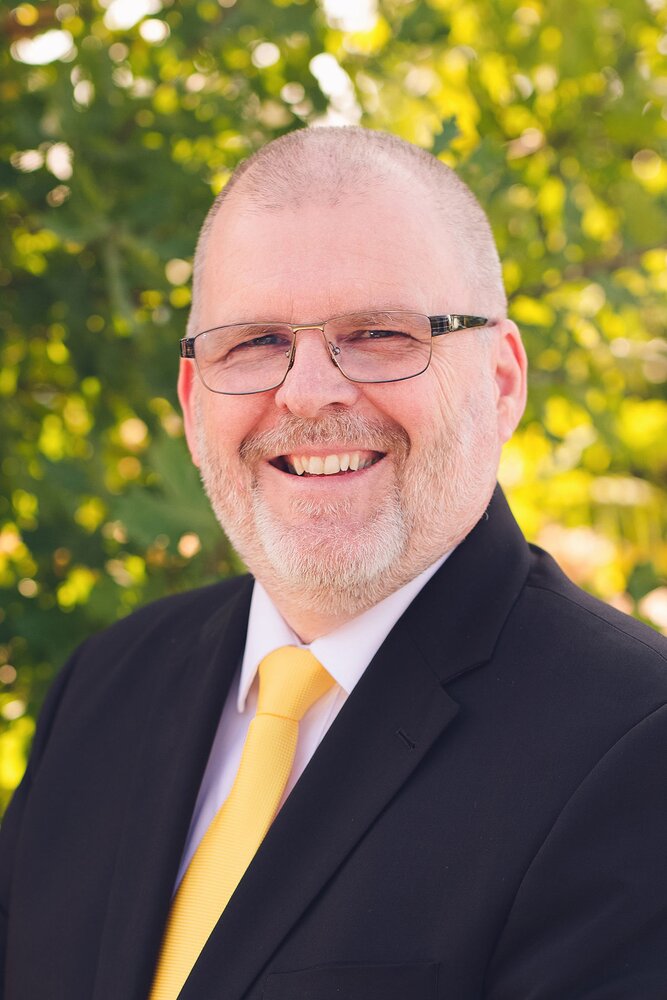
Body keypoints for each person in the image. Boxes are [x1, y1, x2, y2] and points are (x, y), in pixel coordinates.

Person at [1, 126, 666, 1000]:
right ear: (195, 402)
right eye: (253, 342)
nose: (309, 391)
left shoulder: (634, 746)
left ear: (501, 381)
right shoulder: (108, 684)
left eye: (381, 333)